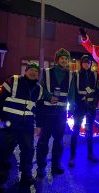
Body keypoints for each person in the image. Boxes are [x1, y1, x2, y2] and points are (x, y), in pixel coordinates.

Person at [0, 63, 43, 189]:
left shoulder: (39, 89)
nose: (34, 72)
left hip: (27, 127)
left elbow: (39, 110)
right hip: (8, 125)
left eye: (36, 71)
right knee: (3, 153)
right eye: (31, 70)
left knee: (28, 152)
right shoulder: (13, 80)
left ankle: (26, 176)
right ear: (25, 71)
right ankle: (2, 179)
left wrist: (38, 125)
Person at [36, 48, 73, 177]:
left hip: (61, 113)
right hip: (47, 111)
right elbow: (41, 88)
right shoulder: (46, 72)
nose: (64, 60)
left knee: (58, 141)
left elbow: (72, 93)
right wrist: (49, 97)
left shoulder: (70, 75)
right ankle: (41, 168)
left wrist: (72, 108)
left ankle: (56, 165)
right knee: (43, 140)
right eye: (62, 58)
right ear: (57, 60)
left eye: (66, 59)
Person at [68, 55, 99, 167]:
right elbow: (73, 91)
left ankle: (90, 154)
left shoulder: (95, 75)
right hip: (79, 106)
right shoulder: (76, 75)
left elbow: (98, 91)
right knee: (76, 131)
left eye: (89, 62)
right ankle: (72, 156)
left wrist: (95, 104)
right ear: (81, 63)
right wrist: (75, 105)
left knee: (90, 131)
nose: (87, 64)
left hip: (90, 107)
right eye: (85, 62)